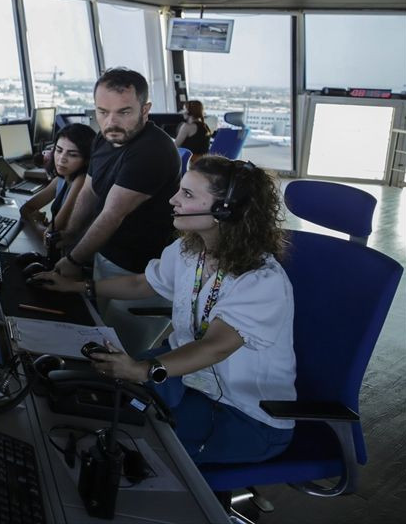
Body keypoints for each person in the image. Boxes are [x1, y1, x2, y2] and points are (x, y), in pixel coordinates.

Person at [34, 157, 295, 465]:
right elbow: (142, 284)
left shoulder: (260, 281)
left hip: (240, 412)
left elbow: (216, 346)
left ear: (224, 210)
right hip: (184, 378)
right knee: (82, 391)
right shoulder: (191, 250)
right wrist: (78, 287)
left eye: (187, 194)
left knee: (127, 442)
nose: (173, 199)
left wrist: (145, 370)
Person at [51, 67, 181, 355]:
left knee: (119, 353)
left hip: (139, 270)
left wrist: (74, 259)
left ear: (145, 109)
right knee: (96, 334)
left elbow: (112, 214)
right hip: (106, 255)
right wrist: (71, 234)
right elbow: (89, 190)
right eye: (102, 112)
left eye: (124, 112)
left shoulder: (152, 152)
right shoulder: (106, 136)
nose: (111, 122)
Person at [19, 123, 95, 249]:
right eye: (59, 150)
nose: (61, 159)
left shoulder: (81, 181)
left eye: (72, 154)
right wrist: (40, 225)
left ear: (87, 159)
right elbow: (25, 208)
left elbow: (50, 236)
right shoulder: (62, 178)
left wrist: (36, 222)